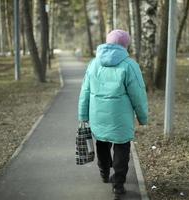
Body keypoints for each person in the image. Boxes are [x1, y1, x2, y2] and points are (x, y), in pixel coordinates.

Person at [78, 29, 148, 200]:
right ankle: (118, 185)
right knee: (122, 148)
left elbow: (85, 91)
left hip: (98, 116)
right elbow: (138, 94)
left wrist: (83, 114)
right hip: (121, 118)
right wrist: (142, 116)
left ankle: (103, 173)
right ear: (126, 45)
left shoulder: (94, 63)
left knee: (102, 144)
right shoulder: (130, 65)